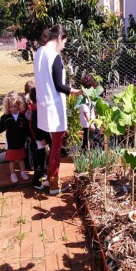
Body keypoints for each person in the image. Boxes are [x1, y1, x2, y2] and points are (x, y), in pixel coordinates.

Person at [34, 24, 83, 195]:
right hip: (54, 107)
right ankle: (54, 184)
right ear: (60, 38)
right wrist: (75, 91)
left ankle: (49, 179)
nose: (63, 46)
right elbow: (59, 85)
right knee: (56, 145)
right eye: (64, 43)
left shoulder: (39, 52)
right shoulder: (54, 56)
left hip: (43, 106)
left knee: (52, 144)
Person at [0, 91, 29, 183]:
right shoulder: (6, 117)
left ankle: (23, 172)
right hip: (11, 142)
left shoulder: (22, 116)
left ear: (19, 105)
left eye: (15, 106)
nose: (13, 109)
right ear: (8, 106)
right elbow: (1, 126)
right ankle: (13, 174)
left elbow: (26, 128)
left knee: (21, 158)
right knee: (12, 160)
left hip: (20, 141)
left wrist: (28, 136)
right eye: (11, 107)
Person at [27, 87, 51, 190]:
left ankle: (41, 175)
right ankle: (36, 181)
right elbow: (35, 127)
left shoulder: (36, 108)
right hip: (37, 141)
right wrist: (41, 138)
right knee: (39, 160)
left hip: (38, 140)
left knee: (42, 158)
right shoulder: (36, 110)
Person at [80, 74, 98, 150]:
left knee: (87, 138)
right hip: (87, 121)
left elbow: (91, 109)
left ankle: (85, 153)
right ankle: (87, 153)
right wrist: (90, 123)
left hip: (90, 120)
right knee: (89, 138)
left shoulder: (89, 95)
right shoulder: (84, 95)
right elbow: (85, 111)